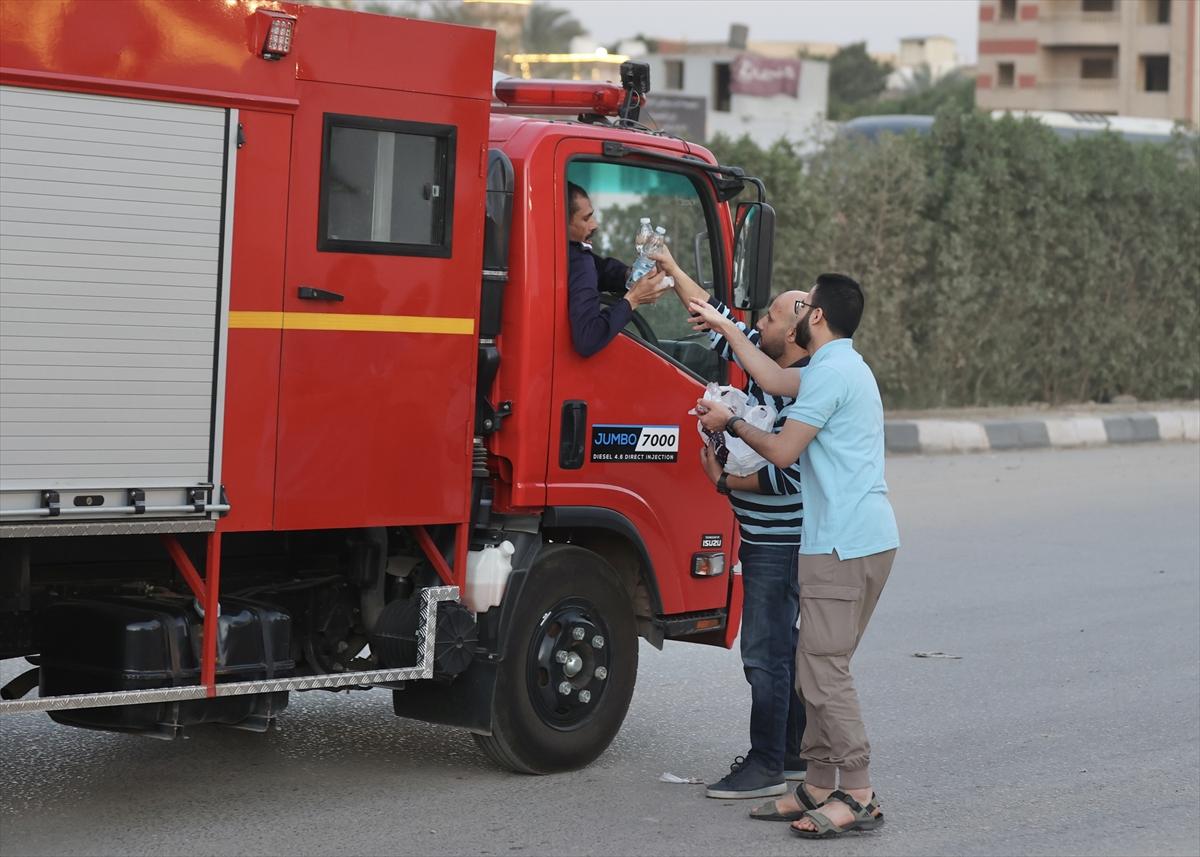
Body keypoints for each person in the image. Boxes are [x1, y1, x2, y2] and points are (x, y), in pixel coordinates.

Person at [691, 274, 899, 839]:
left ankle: (858, 794)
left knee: (825, 672)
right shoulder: (833, 365)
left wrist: (731, 423)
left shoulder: (831, 374)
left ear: (818, 318)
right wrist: (724, 325)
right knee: (812, 668)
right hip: (843, 540)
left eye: (805, 304)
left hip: (844, 543)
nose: (798, 310)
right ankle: (816, 783)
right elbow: (768, 374)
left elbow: (783, 452)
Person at [652, 245, 809, 801]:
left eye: (769, 318)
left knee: (765, 652)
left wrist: (723, 479)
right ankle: (791, 753)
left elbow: (787, 479)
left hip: (780, 544)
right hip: (769, 539)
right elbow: (714, 315)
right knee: (783, 647)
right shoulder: (770, 370)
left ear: (794, 334)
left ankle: (766, 764)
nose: (756, 324)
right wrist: (672, 269)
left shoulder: (804, 390)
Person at [566, 182, 665, 357]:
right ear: (561, 223)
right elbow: (588, 338)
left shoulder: (569, 256)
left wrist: (628, 275)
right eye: (586, 219)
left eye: (592, 216)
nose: (594, 225)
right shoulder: (579, 261)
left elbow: (598, 269)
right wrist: (632, 300)